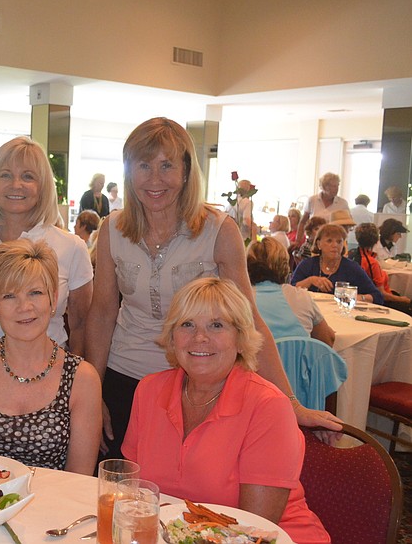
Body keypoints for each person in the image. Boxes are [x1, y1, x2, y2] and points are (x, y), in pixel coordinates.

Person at [86, 117, 340, 459]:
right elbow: (102, 313)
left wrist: (291, 403)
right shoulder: (112, 229)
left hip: (199, 382)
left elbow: (247, 318)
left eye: (167, 165)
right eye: (143, 166)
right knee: (123, 486)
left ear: (187, 171)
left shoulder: (218, 230)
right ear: (129, 172)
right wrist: (93, 391)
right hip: (125, 377)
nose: (155, 179)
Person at [122, 277, 330, 544]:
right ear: (172, 337)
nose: (199, 337)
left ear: (241, 339)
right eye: (187, 324)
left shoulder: (268, 406)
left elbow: (254, 528)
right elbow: (133, 493)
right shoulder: (149, 391)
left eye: (216, 325)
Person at [0, 239, 101, 474]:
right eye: (9, 296)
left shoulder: (82, 378)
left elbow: (80, 479)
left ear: (53, 300)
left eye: (35, 292)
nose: (25, 306)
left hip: (54, 506)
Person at [0, 137, 93, 358]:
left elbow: (81, 325)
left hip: (50, 373)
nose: (16, 184)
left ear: (43, 186)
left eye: (28, 176)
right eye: (5, 175)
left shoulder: (72, 247)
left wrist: (69, 379)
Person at [247, 238, 335, 347]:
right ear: (285, 265)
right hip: (298, 363)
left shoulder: (241, 300)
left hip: (256, 363)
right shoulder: (301, 297)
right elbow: (328, 340)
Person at [290, 224, 383, 304]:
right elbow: (290, 290)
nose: (335, 245)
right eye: (329, 241)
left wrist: (357, 297)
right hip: (312, 313)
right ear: (319, 244)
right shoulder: (308, 264)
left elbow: (377, 296)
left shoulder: (351, 268)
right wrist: (310, 280)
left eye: (339, 241)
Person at [350, 223, 412, 314]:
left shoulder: (352, 255)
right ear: (376, 240)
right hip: (380, 302)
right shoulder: (371, 263)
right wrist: (403, 299)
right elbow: (381, 294)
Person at [296, 172, 348, 245]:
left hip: (333, 242)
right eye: (333, 186)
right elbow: (303, 222)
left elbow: (347, 226)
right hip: (313, 241)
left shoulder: (342, 203)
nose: (336, 189)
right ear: (324, 186)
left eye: (337, 186)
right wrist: (298, 241)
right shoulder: (312, 200)